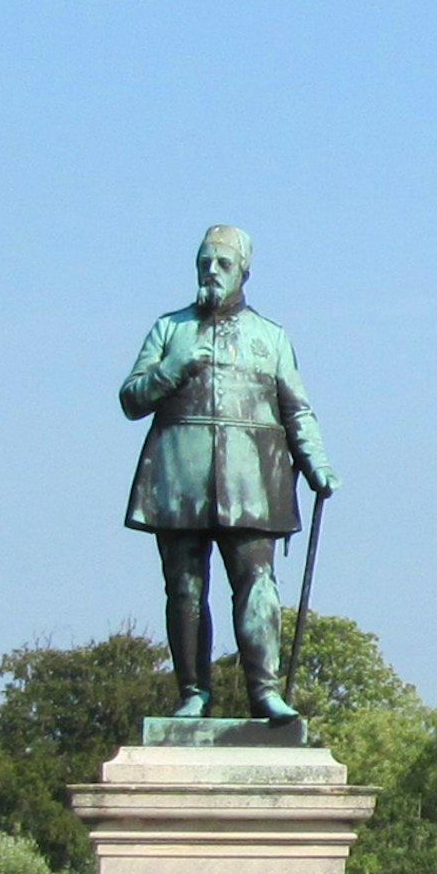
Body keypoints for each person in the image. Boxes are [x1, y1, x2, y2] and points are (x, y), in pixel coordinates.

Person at [118, 224, 337, 720]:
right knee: (185, 588)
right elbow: (131, 399)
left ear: (244, 271)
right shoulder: (168, 330)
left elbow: (296, 409)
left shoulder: (271, 337)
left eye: (222, 264)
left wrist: (316, 462)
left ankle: (265, 691)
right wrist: (169, 369)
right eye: (204, 263)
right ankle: (193, 693)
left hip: (253, 479)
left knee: (258, 585)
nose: (211, 272)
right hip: (178, 477)